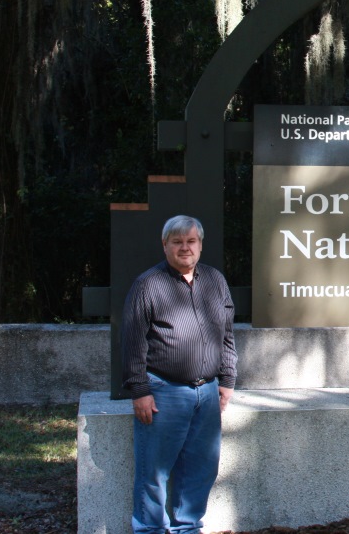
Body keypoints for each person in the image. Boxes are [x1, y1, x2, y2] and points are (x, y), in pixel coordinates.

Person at [121, 215, 237, 534]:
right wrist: (139, 391)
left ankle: (188, 527)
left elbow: (226, 336)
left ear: (200, 245)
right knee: (154, 472)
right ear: (165, 245)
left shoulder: (215, 281)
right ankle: (149, 530)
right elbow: (133, 342)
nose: (184, 248)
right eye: (177, 242)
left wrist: (227, 381)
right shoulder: (148, 285)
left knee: (200, 468)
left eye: (191, 241)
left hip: (208, 392)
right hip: (163, 392)